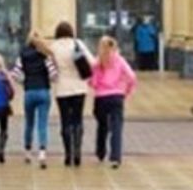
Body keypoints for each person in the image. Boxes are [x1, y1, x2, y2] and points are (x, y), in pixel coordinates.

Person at [31, 21, 96, 167]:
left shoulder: (54, 47)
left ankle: (68, 155)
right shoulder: (77, 43)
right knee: (78, 120)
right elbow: (92, 62)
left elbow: (46, 60)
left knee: (65, 121)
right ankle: (78, 153)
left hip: (62, 89)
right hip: (79, 87)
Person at [89, 35, 137, 168]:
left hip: (101, 98)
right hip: (117, 96)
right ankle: (115, 157)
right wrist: (126, 91)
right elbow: (132, 77)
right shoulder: (120, 60)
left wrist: (97, 86)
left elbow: (92, 82)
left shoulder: (97, 62)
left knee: (102, 126)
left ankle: (100, 152)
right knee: (116, 127)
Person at [10, 35, 58, 168]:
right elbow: (53, 75)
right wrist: (51, 79)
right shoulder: (45, 56)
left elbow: (14, 74)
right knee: (42, 124)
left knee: (29, 123)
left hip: (29, 92)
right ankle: (42, 152)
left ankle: (27, 152)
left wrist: (24, 82)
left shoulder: (23, 56)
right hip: (43, 91)